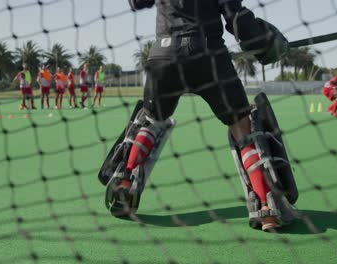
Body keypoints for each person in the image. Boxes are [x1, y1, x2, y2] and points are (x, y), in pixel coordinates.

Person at [104, 0, 295, 231]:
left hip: (164, 56)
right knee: (242, 127)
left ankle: (124, 183)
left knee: (152, 119)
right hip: (208, 56)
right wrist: (263, 41)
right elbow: (236, 17)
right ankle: (267, 208)